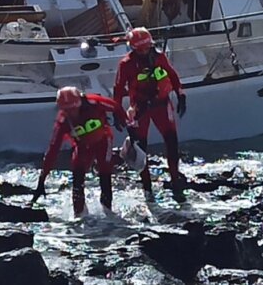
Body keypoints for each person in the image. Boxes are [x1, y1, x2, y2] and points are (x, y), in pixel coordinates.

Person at [113, 27, 187, 201]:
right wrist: (117, 112)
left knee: (172, 142)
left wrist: (181, 95)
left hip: (162, 105)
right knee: (141, 148)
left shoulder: (159, 57)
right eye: (141, 49)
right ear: (133, 48)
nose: (145, 51)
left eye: (147, 48)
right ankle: (147, 187)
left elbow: (173, 75)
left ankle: (175, 181)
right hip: (140, 109)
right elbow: (118, 89)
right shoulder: (126, 64)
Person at [33, 86, 127, 216]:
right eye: (67, 110)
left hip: (103, 140)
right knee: (77, 174)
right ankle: (79, 214)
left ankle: (107, 211)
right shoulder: (63, 121)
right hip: (82, 146)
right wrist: (41, 181)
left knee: (105, 171)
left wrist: (121, 119)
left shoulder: (94, 103)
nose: (71, 113)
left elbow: (115, 106)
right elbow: (52, 150)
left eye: (73, 108)